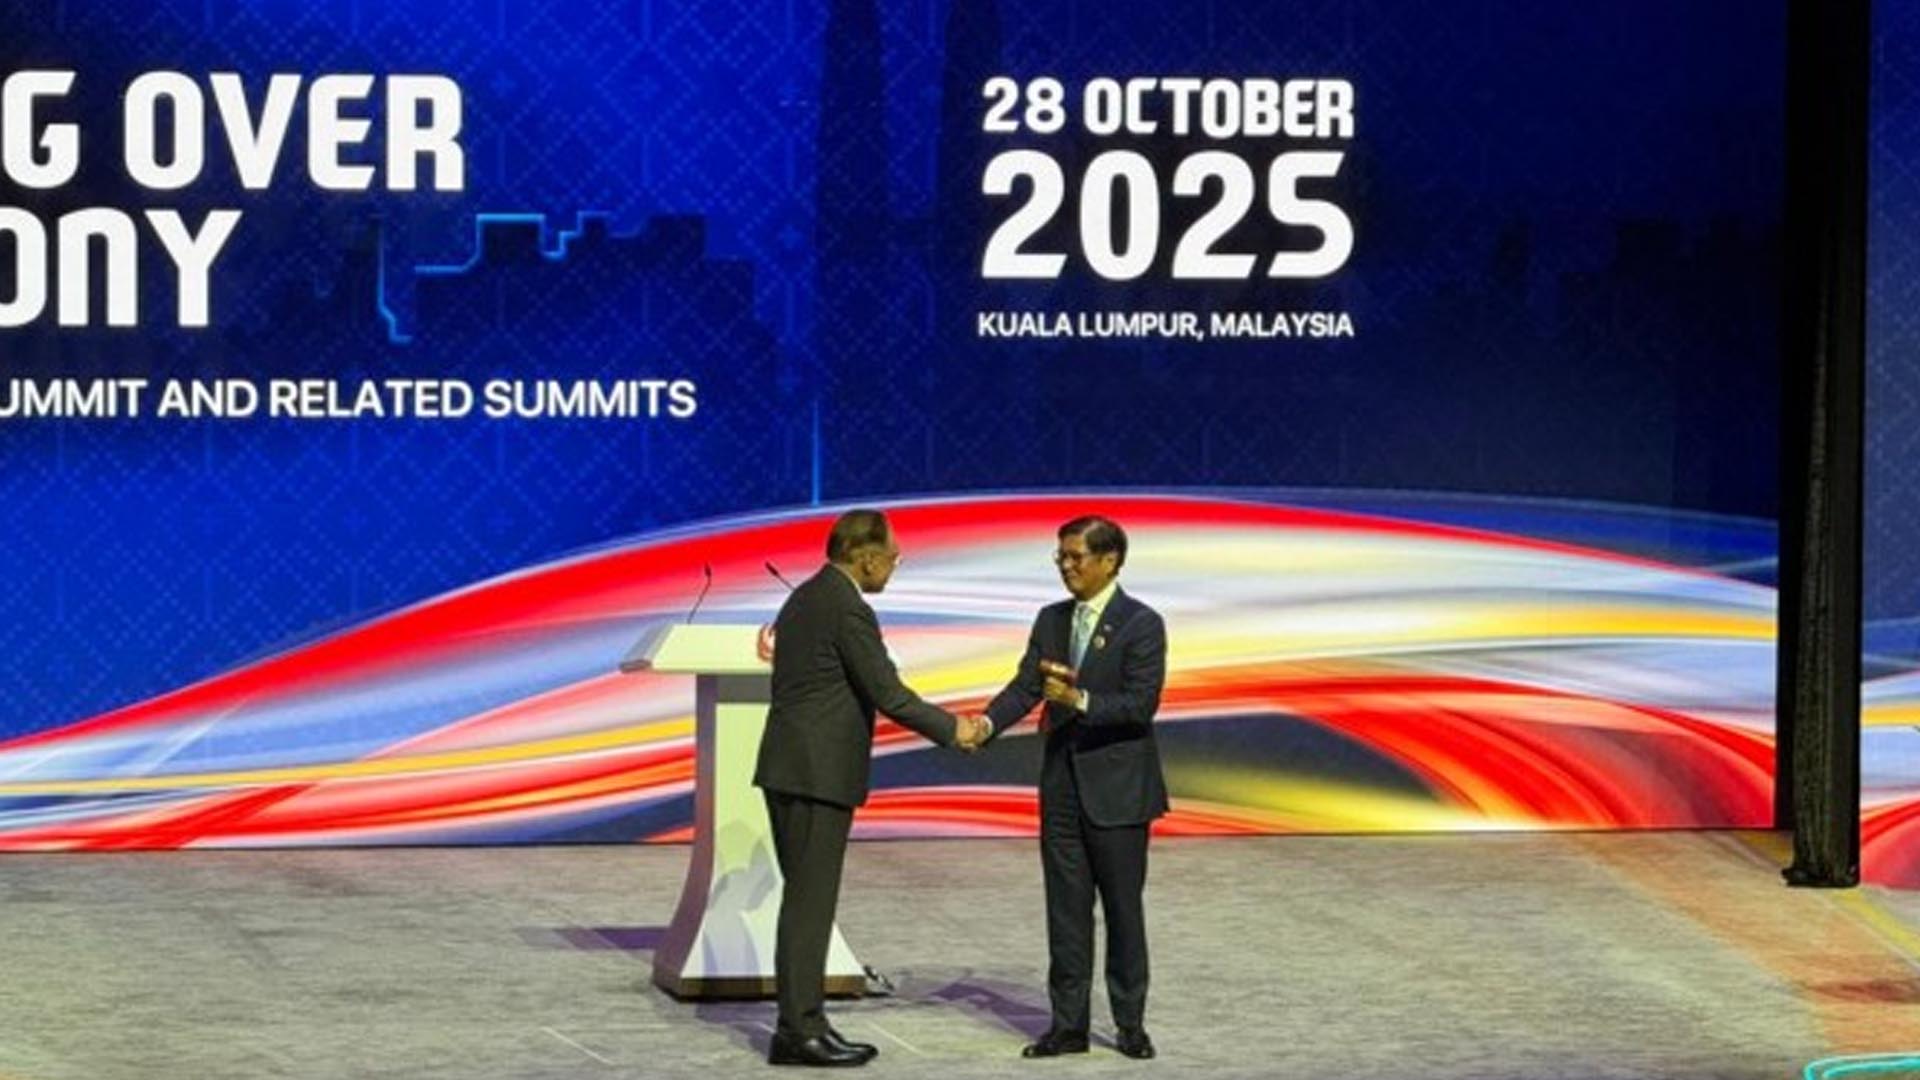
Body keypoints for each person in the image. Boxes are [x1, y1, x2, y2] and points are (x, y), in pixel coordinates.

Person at [753, 508, 988, 1067]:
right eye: (892, 557)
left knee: (805, 901)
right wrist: (954, 729)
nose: (894, 566)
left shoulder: (807, 596)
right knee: (810, 906)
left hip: (792, 766)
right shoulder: (847, 607)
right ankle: (798, 1031)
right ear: (865, 557)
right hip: (816, 772)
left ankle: (806, 1023)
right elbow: (888, 692)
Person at [981, 515, 1168, 1061]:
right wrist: (984, 725)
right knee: (1065, 912)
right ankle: (1068, 1027)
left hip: (1118, 792)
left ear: (1109, 561)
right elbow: (1025, 687)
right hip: (1062, 788)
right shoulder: (1051, 619)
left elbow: (1140, 704)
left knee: (1122, 911)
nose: (1065, 566)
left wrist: (1079, 701)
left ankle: (1130, 1025)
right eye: (1060, 557)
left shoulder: (1142, 624)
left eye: (1075, 557)